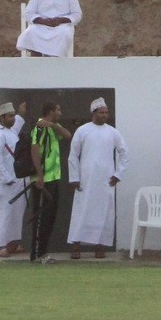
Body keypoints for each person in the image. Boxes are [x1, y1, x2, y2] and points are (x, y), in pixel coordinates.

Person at [67, 98, 129, 259]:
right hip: (85, 180)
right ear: (93, 113)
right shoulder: (82, 130)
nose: (105, 115)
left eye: (106, 113)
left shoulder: (113, 132)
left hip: (106, 180)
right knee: (82, 211)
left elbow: (124, 153)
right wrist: (74, 177)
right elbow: (73, 155)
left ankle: (100, 247)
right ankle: (76, 246)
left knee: (104, 212)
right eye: (101, 112)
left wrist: (118, 174)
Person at [30, 101, 72, 262]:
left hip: (54, 178)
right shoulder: (39, 128)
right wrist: (39, 175)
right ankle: (36, 254)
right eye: (58, 110)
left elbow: (68, 135)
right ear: (51, 111)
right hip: (43, 180)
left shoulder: (52, 128)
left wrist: (54, 126)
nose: (60, 113)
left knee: (50, 217)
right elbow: (34, 150)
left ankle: (43, 252)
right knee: (41, 217)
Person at [0, 102, 27, 257]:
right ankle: (2, 245)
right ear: (2, 118)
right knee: (3, 213)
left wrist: (21, 113)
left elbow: (16, 125)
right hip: (4, 183)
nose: (13, 119)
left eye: (13, 116)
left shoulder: (10, 131)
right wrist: (7, 178)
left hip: (15, 180)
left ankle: (12, 244)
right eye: (10, 116)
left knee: (15, 214)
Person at [16, 0, 82, 57]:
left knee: (64, 33)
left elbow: (77, 14)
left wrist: (61, 20)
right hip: (40, 25)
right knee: (31, 31)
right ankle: (36, 61)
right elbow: (28, 13)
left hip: (61, 26)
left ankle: (55, 61)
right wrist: (42, 21)